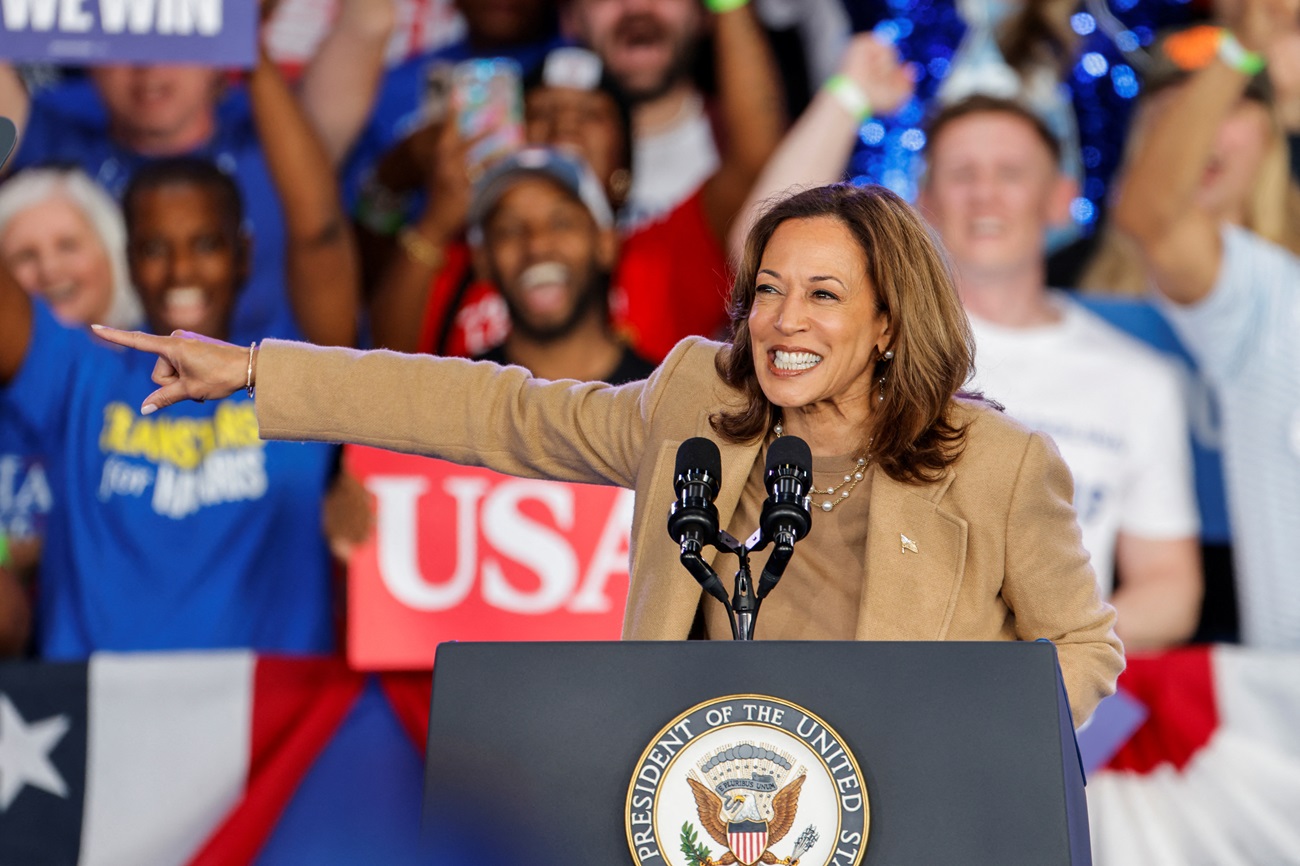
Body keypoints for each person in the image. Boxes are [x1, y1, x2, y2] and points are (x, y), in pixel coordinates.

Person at [94, 183, 1124, 724]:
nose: (781, 318)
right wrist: (260, 371)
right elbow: (492, 408)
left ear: (893, 321)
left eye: (821, 295)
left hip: (913, 817)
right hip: (718, 813)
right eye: (766, 288)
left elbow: (1084, 646)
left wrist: (985, 745)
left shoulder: (992, 463)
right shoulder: (696, 404)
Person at [0, 40, 359, 658]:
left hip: (274, 732)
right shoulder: (80, 373)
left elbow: (321, 230)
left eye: (206, 244)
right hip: (98, 727)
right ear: (128, 262)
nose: (180, 270)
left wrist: (248, 46)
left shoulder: (298, 376)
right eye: (154, 248)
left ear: (245, 254)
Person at [918, 95, 1203, 651]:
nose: (984, 193)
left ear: (1060, 200)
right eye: (961, 173)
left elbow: (1171, 591)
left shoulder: (1140, 380)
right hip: (904, 683)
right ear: (923, 202)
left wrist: (1039, 653)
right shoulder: (880, 354)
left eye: (1011, 173)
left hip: (1060, 709)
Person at [1113, 0, 1300, 649]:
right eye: (1176, 112)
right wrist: (1236, 54)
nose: (1204, 131)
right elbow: (1155, 219)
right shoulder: (1271, 301)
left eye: (1230, 108)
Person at [369, 45, 732, 361]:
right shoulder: (465, 257)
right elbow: (389, 364)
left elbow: (755, 158)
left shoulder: (663, 258)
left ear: (624, 162)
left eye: (591, 115)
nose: (565, 124)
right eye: (542, 112)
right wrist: (433, 217)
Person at [0, 167, 144, 579]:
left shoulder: (162, 378)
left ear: (114, 256)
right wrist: (8, 553)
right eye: (24, 257)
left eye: (68, 246)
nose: (49, 270)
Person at [561, 0, 785, 239]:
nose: (637, 7)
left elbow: (761, 164)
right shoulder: (534, 148)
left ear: (705, 11)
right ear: (570, 18)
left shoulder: (741, 140)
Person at [464, 147, 656, 383]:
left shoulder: (659, 405)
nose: (537, 245)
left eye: (562, 223)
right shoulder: (462, 401)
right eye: (509, 229)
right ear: (482, 260)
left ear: (606, 244)